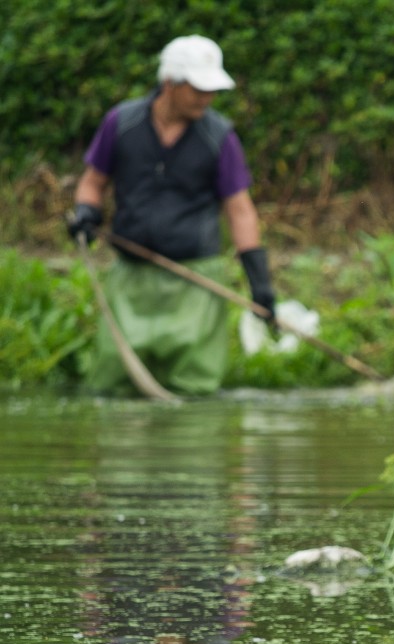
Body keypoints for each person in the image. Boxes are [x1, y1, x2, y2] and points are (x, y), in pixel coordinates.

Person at [68, 35, 275, 395]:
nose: (207, 98)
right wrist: (87, 212)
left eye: (211, 90)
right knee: (115, 382)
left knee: (192, 385)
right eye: (197, 89)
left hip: (195, 278)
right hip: (131, 276)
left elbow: (240, 210)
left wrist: (259, 282)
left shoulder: (219, 137)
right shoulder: (121, 123)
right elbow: (93, 181)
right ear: (170, 83)